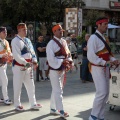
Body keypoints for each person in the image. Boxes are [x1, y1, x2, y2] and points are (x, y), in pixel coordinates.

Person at [87, 17, 119, 120]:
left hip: (105, 67)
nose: (106, 26)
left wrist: (113, 60)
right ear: (99, 25)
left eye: (107, 24)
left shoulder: (105, 38)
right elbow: (91, 56)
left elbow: (108, 54)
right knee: (101, 92)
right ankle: (93, 116)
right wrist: (105, 62)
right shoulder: (93, 38)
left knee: (106, 93)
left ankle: (100, 116)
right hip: (97, 67)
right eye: (104, 24)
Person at [11, 23, 42, 111]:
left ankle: (33, 103)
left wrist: (35, 61)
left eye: (26, 29)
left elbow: (32, 52)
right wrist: (25, 63)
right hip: (19, 67)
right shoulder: (15, 41)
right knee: (17, 86)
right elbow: (16, 56)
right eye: (24, 29)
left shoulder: (27, 40)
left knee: (31, 86)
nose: (26, 31)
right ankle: (17, 104)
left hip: (29, 67)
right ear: (19, 30)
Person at [46, 23, 73, 119]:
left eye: (62, 30)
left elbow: (68, 54)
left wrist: (69, 62)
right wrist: (62, 61)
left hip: (62, 69)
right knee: (58, 91)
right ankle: (61, 110)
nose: (61, 32)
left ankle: (53, 108)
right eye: (59, 30)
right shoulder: (51, 44)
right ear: (54, 32)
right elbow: (50, 59)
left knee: (58, 89)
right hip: (54, 70)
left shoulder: (64, 42)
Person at [0, 26, 13, 105]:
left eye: (6, 32)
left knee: (2, 82)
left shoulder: (6, 42)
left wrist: (11, 55)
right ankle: (6, 98)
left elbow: (9, 52)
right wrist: (2, 56)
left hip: (4, 64)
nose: (6, 33)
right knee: (5, 81)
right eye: (4, 32)